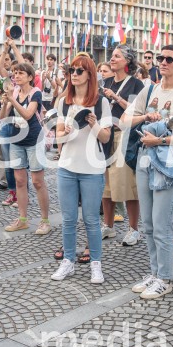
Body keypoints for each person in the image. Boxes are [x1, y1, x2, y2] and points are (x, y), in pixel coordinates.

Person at [122, 46, 173, 300]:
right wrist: (145, 115)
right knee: (148, 223)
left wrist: (163, 140)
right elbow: (124, 120)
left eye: (169, 59)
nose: (163, 62)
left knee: (162, 224)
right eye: (160, 58)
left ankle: (165, 278)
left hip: (169, 164)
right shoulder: (150, 89)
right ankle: (155, 272)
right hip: (146, 160)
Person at [51, 55, 112, 283]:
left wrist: (94, 123)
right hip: (67, 166)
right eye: (71, 71)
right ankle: (68, 261)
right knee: (68, 219)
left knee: (91, 220)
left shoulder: (100, 102)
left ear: (89, 75)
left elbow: (105, 138)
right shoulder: (63, 102)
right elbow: (58, 139)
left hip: (92, 168)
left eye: (79, 71)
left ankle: (96, 264)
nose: (73, 75)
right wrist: (64, 132)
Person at [0, 62, 52, 235]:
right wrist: (5, 102)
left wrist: (12, 100)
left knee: (37, 181)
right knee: (20, 181)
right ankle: (22, 219)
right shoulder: (14, 92)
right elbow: (2, 117)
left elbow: (29, 114)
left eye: (21, 73)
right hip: (17, 140)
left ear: (30, 77)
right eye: (14, 73)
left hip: (33, 140)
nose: (16, 76)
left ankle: (45, 220)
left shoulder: (35, 93)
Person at [101, 47, 143, 246]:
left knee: (127, 185)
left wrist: (115, 97)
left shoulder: (136, 84)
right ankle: (108, 225)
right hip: (105, 136)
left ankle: (134, 229)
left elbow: (137, 110)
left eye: (117, 56)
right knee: (106, 186)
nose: (112, 58)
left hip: (123, 136)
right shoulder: (106, 81)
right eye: (112, 55)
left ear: (127, 61)